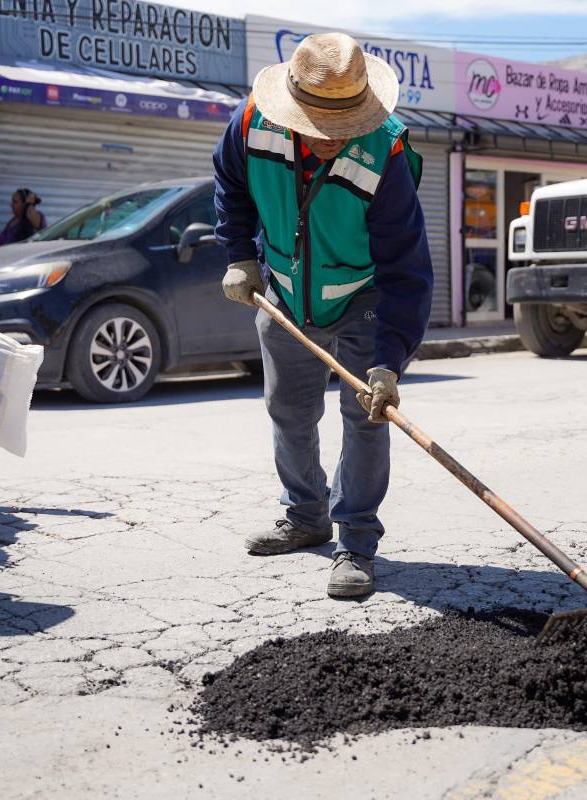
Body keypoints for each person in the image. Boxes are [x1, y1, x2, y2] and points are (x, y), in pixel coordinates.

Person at [213, 33, 433, 599]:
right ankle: (305, 515)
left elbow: (407, 270)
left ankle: (356, 540)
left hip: (362, 298)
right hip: (285, 294)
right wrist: (240, 254)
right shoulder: (249, 125)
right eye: (321, 126)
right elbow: (229, 186)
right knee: (288, 411)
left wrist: (389, 363)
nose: (335, 139)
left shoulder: (386, 153)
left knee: (365, 419)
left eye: (346, 125)